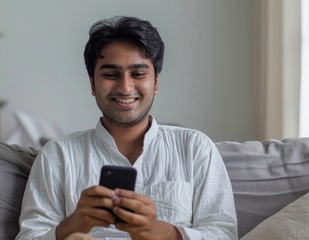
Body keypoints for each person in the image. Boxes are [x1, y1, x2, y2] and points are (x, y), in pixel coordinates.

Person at [16, 16, 238, 240]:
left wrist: (158, 232)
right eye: (111, 75)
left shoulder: (196, 148)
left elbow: (223, 233)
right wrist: (74, 224)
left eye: (138, 74)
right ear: (92, 83)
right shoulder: (57, 155)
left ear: (156, 82)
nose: (125, 87)